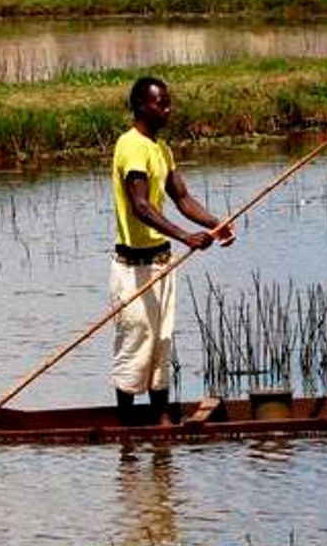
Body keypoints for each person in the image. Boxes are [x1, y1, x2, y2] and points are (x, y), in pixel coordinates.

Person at [111, 76, 234, 424]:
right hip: (133, 268)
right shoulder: (131, 146)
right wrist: (186, 237)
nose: (168, 108)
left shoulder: (161, 150)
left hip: (161, 263)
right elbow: (141, 206)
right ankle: (127, 430)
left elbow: (181, 197)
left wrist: (214, 224)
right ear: (140, 106)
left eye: (168, 102)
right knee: (135, 343)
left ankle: (163, 421)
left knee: (161, 343)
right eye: (160, 103)